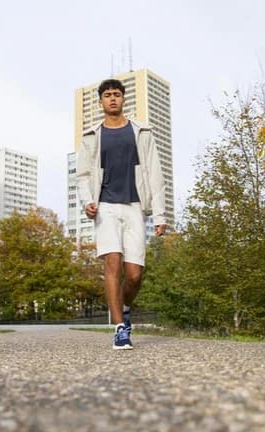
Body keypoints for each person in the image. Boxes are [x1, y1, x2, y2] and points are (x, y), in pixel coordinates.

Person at [76, 78, 167, 350]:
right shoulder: (92, 135)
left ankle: (125, 308)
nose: (112, 98)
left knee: (135, 274)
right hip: (105, 206)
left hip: (135, 206)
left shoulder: (141, 131)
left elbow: (155, 173)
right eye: (107, 95)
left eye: (116, 94)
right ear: (100, 102)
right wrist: (87, 201)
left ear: (123, 98)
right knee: (113, 262)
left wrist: (160, 215)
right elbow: (83, 175)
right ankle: (119, 330)